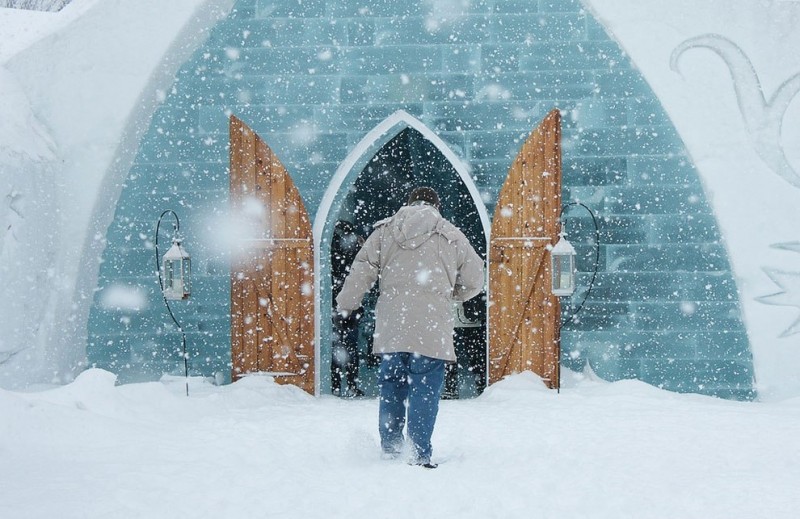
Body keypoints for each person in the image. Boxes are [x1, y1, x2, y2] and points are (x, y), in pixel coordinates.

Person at [335, 186, 484, 468]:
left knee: (391, 386)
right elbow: (476, 278)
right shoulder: (451, 234)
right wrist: (452, 293)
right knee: (425, 390)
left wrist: (348, 302)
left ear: (408, 203)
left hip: (393, 326)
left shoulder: (384, 231)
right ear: (437, 206)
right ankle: (418, 452)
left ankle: (391, 448)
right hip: (431, 326)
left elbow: (361, 268)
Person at [330, 220, 365, 397]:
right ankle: (351, 384)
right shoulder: (355, 252)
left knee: (337, 345)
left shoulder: (332, 249)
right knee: (350, 346)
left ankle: (336, 385)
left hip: (335, 302)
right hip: (351, 304)